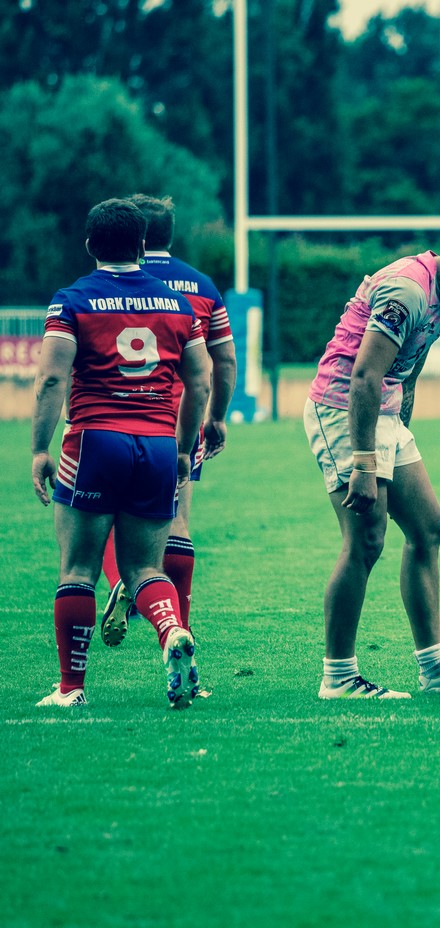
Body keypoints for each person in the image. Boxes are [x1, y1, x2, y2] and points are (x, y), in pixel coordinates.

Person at [304, 217, 440, 699]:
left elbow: (408, 369)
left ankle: (436, 667)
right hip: (343, 408)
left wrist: (401, 427)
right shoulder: (408, 290)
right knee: (365, 541)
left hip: (382, 412)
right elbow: (364, 375)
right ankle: (338, 677)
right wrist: (366, 463)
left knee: (427, 529)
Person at [31, 198, 211, 708]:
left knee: (79, 570)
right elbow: (200, 381)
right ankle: (173, 630)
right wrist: (183, 449)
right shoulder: (177, 304)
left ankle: (71, 688)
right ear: (142, 245)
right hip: (157, 445)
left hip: (94, 440)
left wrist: (38, 449)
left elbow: (51, 379)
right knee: (146, 569)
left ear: (90, 244)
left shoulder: (72, 300)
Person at [98, 193, 237, 651]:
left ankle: (124, 581)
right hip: (180, 421)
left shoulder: (110, 282)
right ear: (169, 236)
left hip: (113, 415)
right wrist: (216, 417)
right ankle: (181, 627)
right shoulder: (201, 286)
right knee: (177, 521)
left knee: (107, 517)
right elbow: (224, 360)